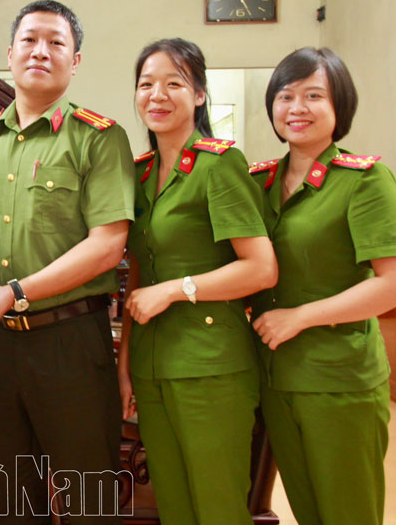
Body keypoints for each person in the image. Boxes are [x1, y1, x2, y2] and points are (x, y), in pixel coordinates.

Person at [0, 0, 134, 523]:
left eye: (56, 42)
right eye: (29, 40)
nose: (40, 51)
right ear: (9, 53)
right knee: (11, 502)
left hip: (70, 342)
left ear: (75, 61)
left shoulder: (98, 138)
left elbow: (108, 245)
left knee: (87, 502)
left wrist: (16, 291)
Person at [118, 38, 278, 525]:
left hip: (211, 366)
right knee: (173, 505)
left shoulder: (218, 164)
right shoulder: (141, 174)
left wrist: (175, 290)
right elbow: (139, 275)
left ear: (200, 95)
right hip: (152, 364)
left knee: (217, 507)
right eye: (146, 84)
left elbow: (261, 267)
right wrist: (125, 363)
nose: (157, 95)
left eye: (174, 83)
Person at [250, 47, 396, 525]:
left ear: (340, 104)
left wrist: (301, 317)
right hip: (275, 379)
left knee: (347, 513)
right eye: (285, 96)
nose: (296, 108)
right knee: (307, 510)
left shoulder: (364, 180)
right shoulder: (259, 182)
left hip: (339, 381)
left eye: (313, 95)